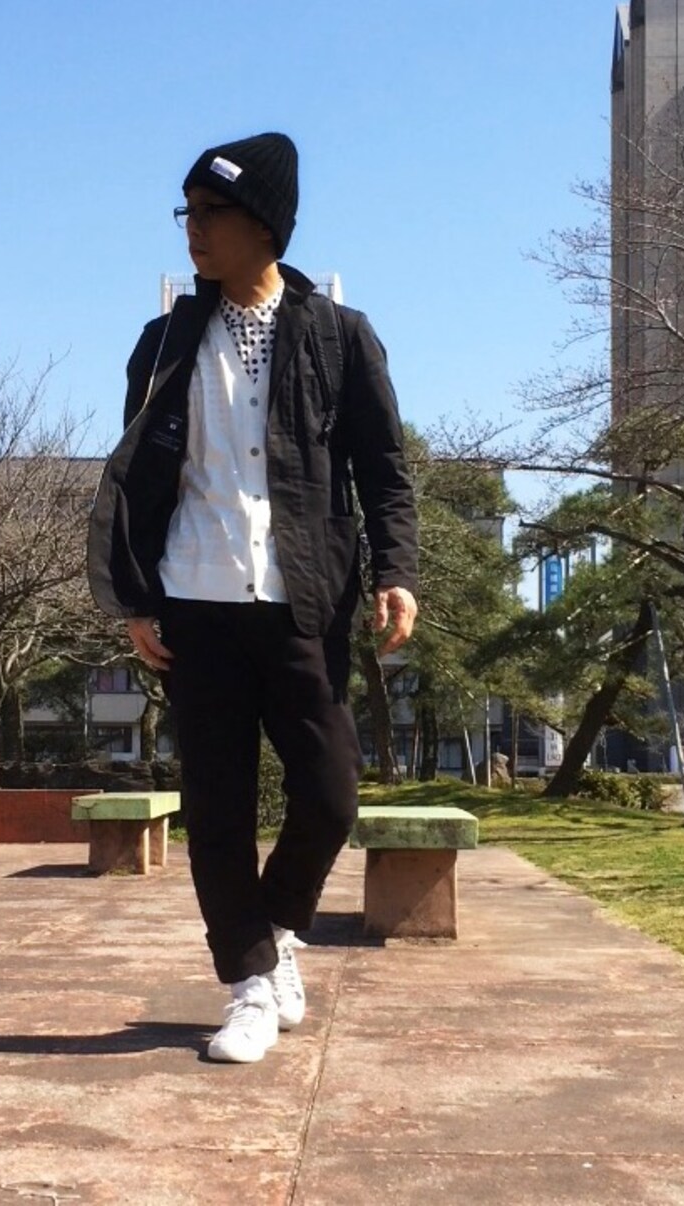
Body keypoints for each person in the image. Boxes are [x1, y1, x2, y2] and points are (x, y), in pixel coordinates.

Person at [87, 131, 418, 1063]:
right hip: (194, 604)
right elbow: (139, 482)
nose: (192, 230)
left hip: (303, 600)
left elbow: (384, 468)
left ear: (265, 224)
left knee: (331, 794)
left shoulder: (340, 334)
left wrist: (396, 570)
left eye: (210, 213)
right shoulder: (163, 343)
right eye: (186, 212)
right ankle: (248, 984)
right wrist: (135, 598)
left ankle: (274, 933)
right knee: (219, 807)